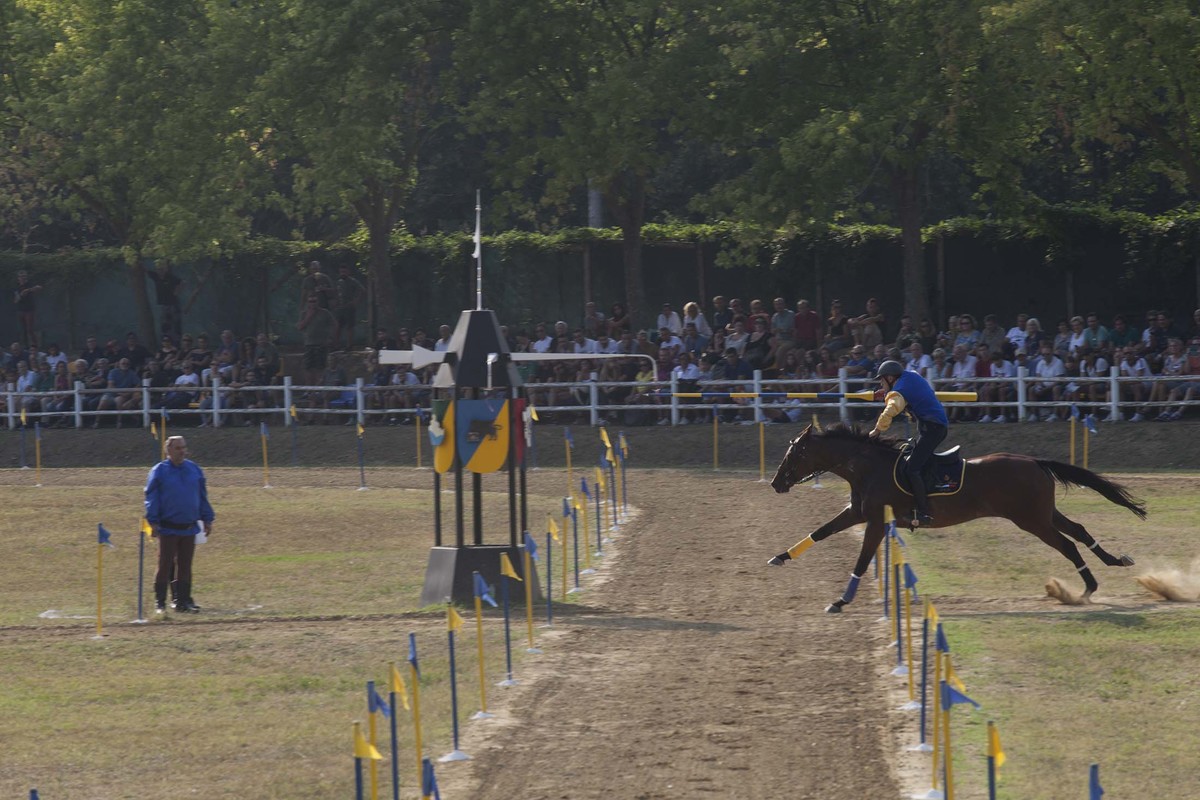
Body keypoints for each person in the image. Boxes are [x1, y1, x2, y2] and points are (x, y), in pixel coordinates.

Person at [868, 360, 949, 527]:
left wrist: (877, 430)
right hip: (932, 426)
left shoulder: (899, 390)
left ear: (890, 378)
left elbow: (892, 408)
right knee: (915, 462)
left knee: (912, 469)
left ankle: (923, 512)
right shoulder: (911, 375)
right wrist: (887, 394)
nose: (881, 384)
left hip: (933, 428)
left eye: (882, 381)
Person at [144, 435, 215, 613]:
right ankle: (160, 603)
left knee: (185, 565)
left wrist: (207, 518)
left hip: (189, 526)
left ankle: (183, 601)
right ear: (168, 451)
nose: (182, 451)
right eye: (178, 448)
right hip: (168, 527)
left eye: (184, 447)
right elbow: (151, 497)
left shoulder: (194, 470)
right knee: (165, 564)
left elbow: (202, 496)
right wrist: (152, 521)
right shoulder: (159, 471)